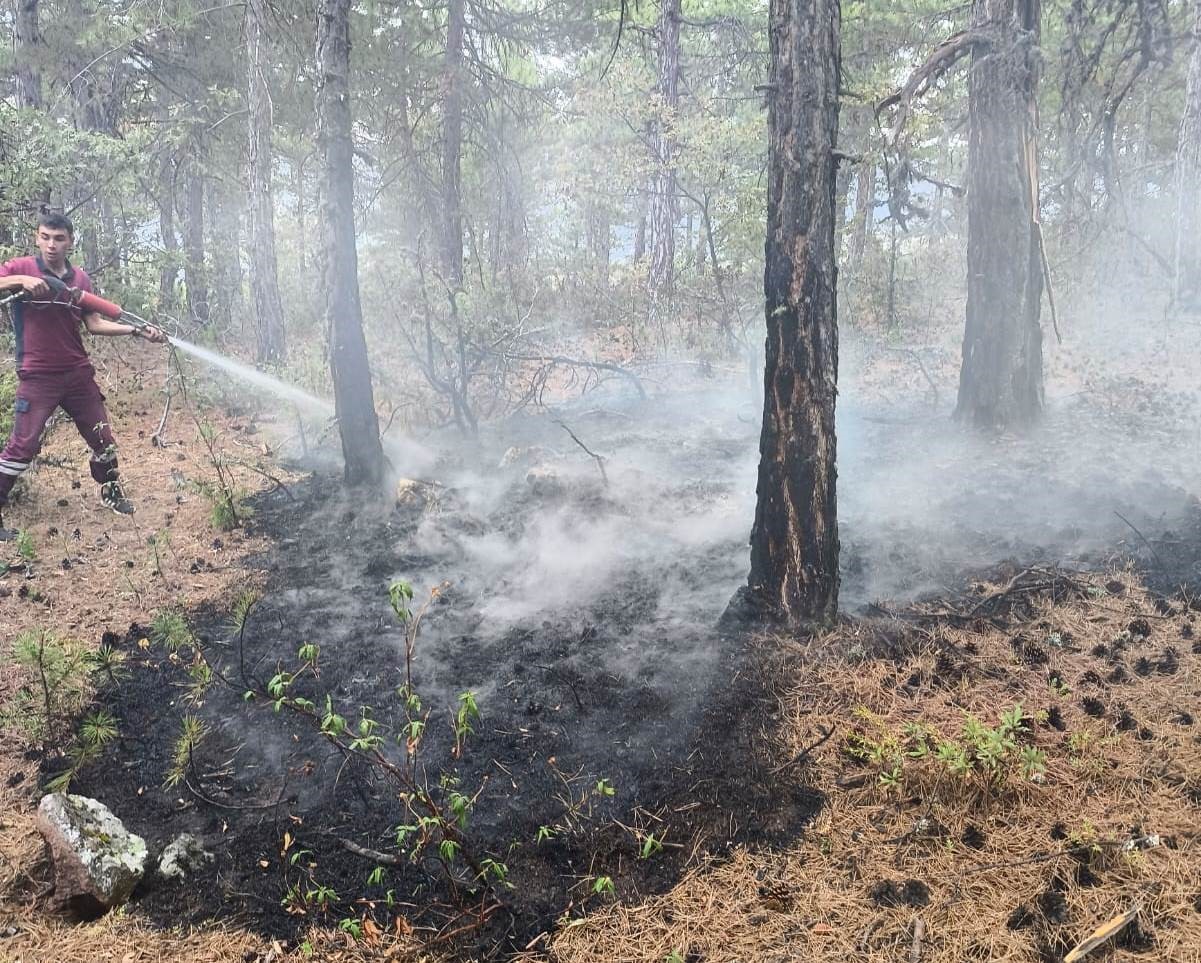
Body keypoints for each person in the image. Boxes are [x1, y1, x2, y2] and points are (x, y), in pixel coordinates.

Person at [0, 212, 166, 540]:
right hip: (37, 376)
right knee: (23, 446)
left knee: (103, 439)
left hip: (77, 374)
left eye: (59, 238)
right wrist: (21, 281)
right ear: (37, 238)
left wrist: (136, 330)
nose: (51, 244)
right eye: (45, 237)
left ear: (70, 242)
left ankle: (110, 492)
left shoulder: (81, 280)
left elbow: (95, 324)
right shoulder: (20, 268)